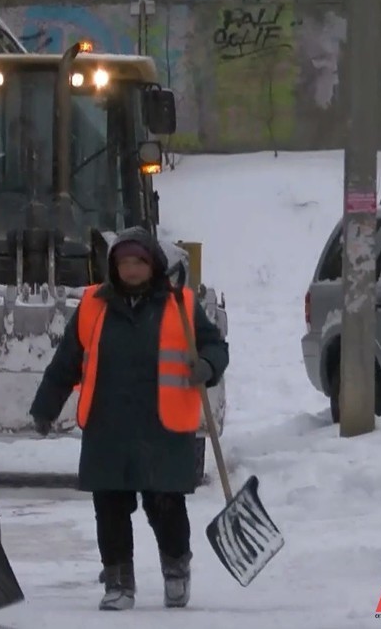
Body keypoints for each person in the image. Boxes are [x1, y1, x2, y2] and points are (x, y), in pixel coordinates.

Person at [28, 226, 229, 611]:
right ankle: (118, 581)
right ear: (113, 266)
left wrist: (207, 364)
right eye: (124, 263)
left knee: (165, 506)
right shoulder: (93, 305)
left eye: (139, 262)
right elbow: (67, 362)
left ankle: (176, 568)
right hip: (109, 425)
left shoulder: (181, 304)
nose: (132, 270)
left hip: (163, 426)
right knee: (110, 508)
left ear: (152, 264)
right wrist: (45, 407)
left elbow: (214, 345)